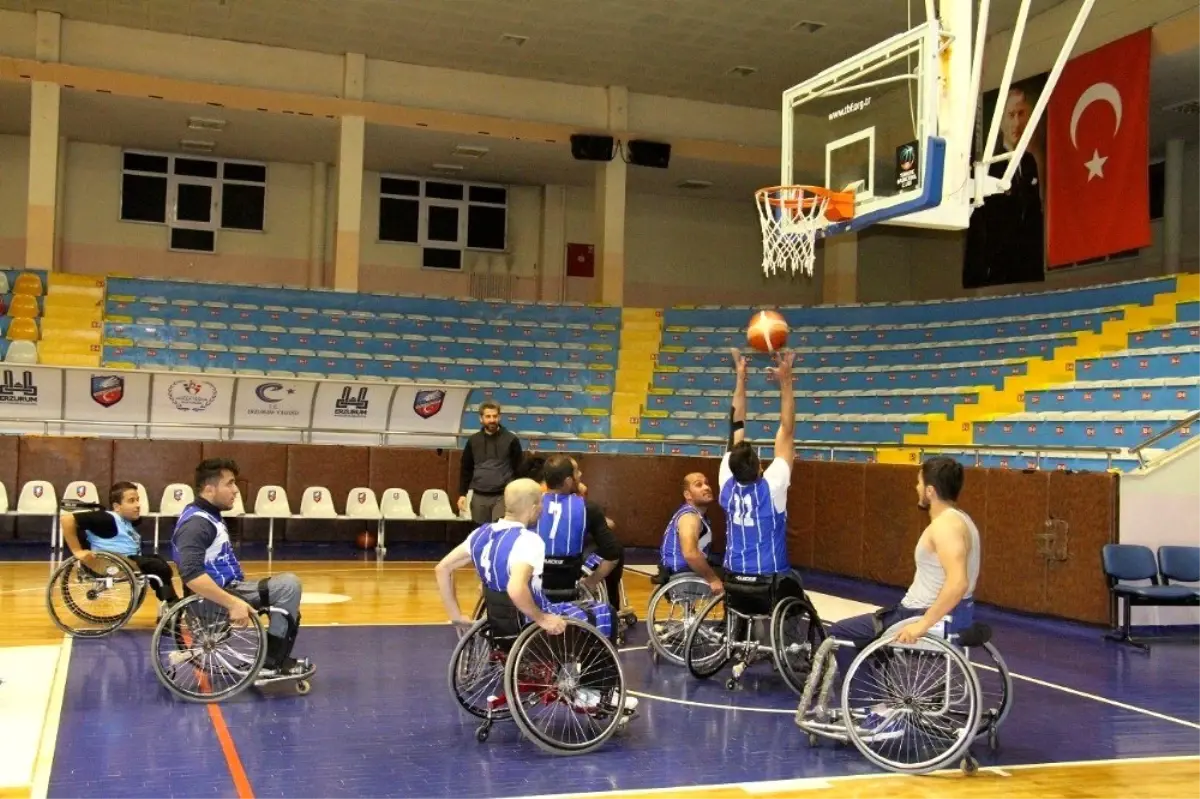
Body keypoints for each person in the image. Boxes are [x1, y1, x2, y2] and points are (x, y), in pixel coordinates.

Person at [434, 479, 637, 714]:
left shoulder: (481, 534)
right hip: (529, 625)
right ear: (532, 507)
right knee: (605, 613)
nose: (542, 508)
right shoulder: (528, 541)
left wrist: (456, 616)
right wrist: (542, 618)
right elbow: (516, 588)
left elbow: (442, 568)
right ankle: (595, 694)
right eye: (540, 503)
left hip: (501, 624)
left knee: (577, 609)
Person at [827, 456, 980, 669]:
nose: (915, 487)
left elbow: (958, 583)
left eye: (919, 482)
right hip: (954, 614)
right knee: (871, 628)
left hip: (923, 615)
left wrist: (921, 625)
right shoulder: (963, 520)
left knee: (840, 633)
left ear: (930, 491)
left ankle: (867, 701)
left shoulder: (945, 527)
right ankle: (880, 691)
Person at [171, 458, 313, 679]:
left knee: (286, 603)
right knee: (288, 586)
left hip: (227, 590)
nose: (236, 490)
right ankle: (269, 664)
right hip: (213, 601)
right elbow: (191, 576)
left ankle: (273, 659)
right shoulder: (197, 524)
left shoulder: (208, 515)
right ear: (210, 489)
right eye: (229, 483)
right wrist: (233, 603)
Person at [720, 347, 799, 589]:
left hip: (733, 574)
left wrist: (740, 377)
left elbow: (736, 423)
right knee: (796, 586)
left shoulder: (726, 483)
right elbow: (787, 430)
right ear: (760, 466)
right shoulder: (772, 486)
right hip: (769, 578)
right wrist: (785, 381)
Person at [60, 481, 181, 611]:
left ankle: (170, 602)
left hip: (124, 560)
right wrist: (77, 551)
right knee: (158, 566)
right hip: (107, 564)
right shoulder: (106, 519)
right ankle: (172, 605)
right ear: (117, 507)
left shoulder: (124, 520)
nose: (138, 505)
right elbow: (66, 519)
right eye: (131, 501)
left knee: (158, 561)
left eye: (137, 500)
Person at [537, 454, 624, 617]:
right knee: (614, 548)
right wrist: (592, 581)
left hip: (536, 578)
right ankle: (614, 606)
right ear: (568, 481)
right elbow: (613, 552)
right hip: (569, 579)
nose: (581, 475)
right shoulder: (587, 507)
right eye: (577, 473)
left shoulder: (532, 504)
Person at [458, 401, 523, 523]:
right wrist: (462, 494)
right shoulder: (473, 441)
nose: (492, 420)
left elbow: (519, 469)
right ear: (481, 418)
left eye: (495, 416)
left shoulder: (511, 440)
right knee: (481, 533)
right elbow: (466, 468)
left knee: (499, 532)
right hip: (479, 497)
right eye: (488, 416)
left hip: (503, 496)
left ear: (499, 417)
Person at [658, 472, 722, 595]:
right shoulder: (689, 517)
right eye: (699, 485)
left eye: (707, 483)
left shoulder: (696, 515)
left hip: (681, 571)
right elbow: (690, 554)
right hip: (682, 574)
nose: (706, 487)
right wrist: (713, 579)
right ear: (688, 495)